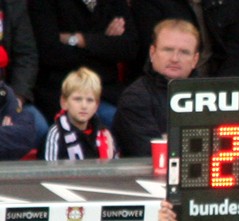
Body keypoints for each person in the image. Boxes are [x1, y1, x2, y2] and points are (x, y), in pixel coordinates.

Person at [28, 0, 139, 127]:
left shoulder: (113, 3)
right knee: (116, 121)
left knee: (136, 119)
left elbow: (130, 48)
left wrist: (81, 40)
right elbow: (51, 52)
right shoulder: (45, 3)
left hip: (107, 90)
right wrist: (104, 41)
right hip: (63, 91)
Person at [113, 18, 199, 156]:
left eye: (184, 52)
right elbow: (151, 154)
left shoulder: (212, 96)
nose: (175, 58)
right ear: (152, 53)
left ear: (195, 60)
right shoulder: (135, 99)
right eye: (168, 50)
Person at [130, 0, 239, 78]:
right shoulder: (150, 4)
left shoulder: (228, 3)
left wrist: (222, 88)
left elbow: (238, 53)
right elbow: (153, 56)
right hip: (169, 87)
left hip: (218, 83)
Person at [0, 0, 49, 148]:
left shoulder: (13, 5)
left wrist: (16, 100)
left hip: (7, 96)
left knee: (40, 128)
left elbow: (26, 56)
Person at [43, 67, 117, 161]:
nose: (84, 106)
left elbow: (114, 169)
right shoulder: (56, 134)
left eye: (90, 100)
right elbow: (50, 171)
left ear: (96, 106)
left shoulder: (105, 135)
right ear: (64, 102)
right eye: (78, 99)